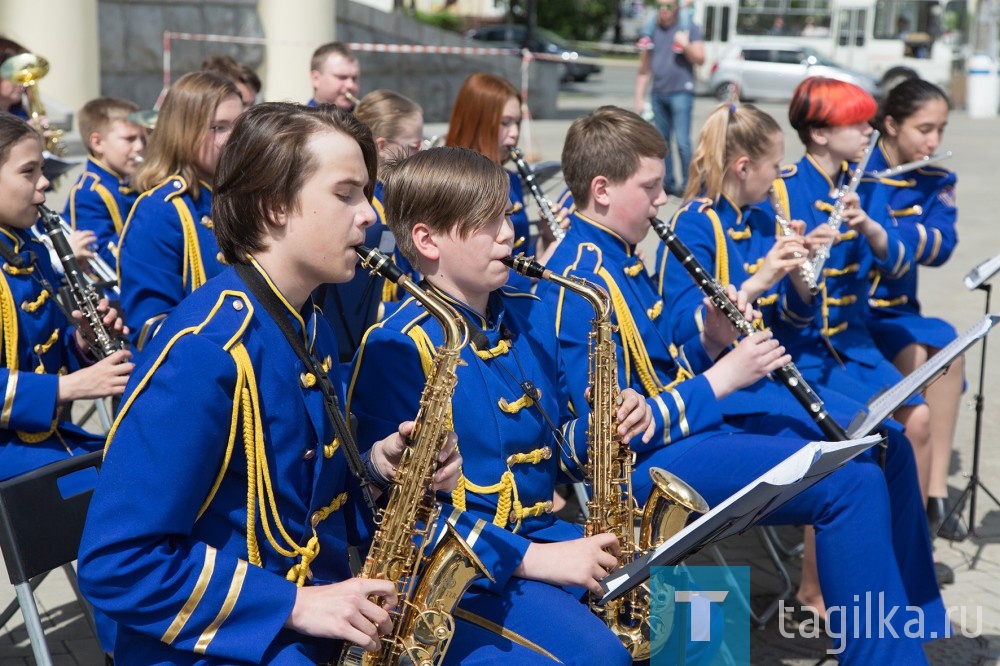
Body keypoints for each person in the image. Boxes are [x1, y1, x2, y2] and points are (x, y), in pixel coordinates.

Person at [535, 105, 945, 663]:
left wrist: (709, 338)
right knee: (853, 483)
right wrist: (723, 376)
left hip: (687, 439)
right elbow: (591, 442)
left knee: (868, 459)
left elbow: (657, 366)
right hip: (648, 472)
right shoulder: (578, 279)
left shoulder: (616, 255)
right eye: (651, 187)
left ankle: (899, 634)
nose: (662, 199)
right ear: (602, 190)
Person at [77, 102, 462, 663]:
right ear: (275, 206)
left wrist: (381, 469)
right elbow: (117, 562)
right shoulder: (207, 354)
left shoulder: (306, 322)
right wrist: (296, 606)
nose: (371, 215)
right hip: (219, 641)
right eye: (346, 193)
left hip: (293, 622)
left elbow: (298, 506)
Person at [349, 146, 653, 665]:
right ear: (428, 240)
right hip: (461, 575)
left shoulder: (525, 316)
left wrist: (610, 427)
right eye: (487, 223)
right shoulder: (397, 346)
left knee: (697, 606)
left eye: (508, 216)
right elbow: (394, 519)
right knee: (600, 655)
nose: (509, 234)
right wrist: (537, 559)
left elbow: (561, 451)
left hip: (546, 539)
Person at [0, 113, 132, 481]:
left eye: (41, 169)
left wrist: (84, 344)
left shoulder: (30, 251)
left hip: (42, 441)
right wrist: (68, 388)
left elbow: (43, 353)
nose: (44, 183)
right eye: (28, 172)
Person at [869, 78, 965, 541]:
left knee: (950, 344)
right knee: (916, 355)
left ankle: (935, 492)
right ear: (890, 124)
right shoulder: (861, 169)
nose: (934, 142)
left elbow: (943, 245)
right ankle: (907, 495)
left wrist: (888, 236)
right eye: (924, 129)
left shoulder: (933, 178)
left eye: (941, 130)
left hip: (898, 307)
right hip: (856, 313)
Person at [117, 71, 243, 353]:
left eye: (239, 125)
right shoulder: (160, 210)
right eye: (219, 127)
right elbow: (151, 324)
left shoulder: (242, 196)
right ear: (185, 131)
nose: (234, 139)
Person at [317, 89, 424, 367]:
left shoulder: (394, 202)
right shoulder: (368, 211)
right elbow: (352, 311)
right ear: (380, 145)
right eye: (413, 145)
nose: (420, 153)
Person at [445, 72, 563, 286]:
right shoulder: (453, 185)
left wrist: (546, 239)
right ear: (476, 122)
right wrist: (543, 267)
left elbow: (520, 255)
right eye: (505, 123)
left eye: (517, 122)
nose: (514, 133)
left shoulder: (512, 180)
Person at [63, 96, 144, 271]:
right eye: (130, 139)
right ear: (97, 143)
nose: (139, 147)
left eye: (141, 138)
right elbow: (100, 261)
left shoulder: (131, 180)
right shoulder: (88, 193)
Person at [634, 1, 704, 198]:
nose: (663, 12)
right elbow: (644, 68)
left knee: (682, 142)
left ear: (676, 8)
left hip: (682, 92)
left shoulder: (688, 26)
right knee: (661, 143)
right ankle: (668, 183)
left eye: (668, 7)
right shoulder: (653, 28)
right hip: (658, 92)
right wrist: (639, 99)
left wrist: (685, 44)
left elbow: (700, 58)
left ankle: (690, 186)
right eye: (660, 7)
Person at [308, 42, 360, 111]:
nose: (350, 85)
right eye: (342, 77)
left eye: (354, 78)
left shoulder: (364, 119)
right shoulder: (300, 121)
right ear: (316, 78)